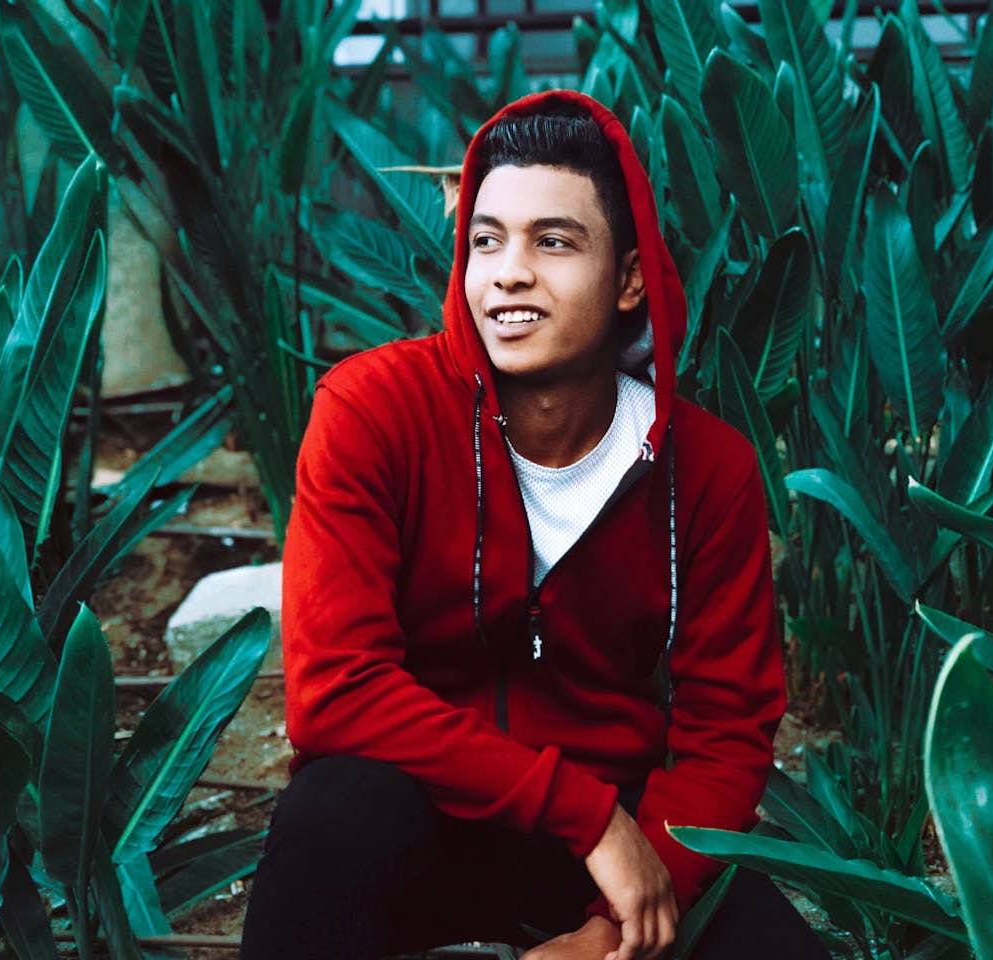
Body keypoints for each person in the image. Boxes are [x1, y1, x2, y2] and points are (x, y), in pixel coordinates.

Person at [241, 90, 829, 960]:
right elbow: (337, 691)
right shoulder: (372, 412)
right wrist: (587, 818)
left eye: (553, 241)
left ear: (630, 276)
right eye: (486, 241)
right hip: (415, 811)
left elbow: (726, 731)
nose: (509, 272)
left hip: (610, 848)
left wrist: (606, 931)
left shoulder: (707, 470)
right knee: (330, 816)